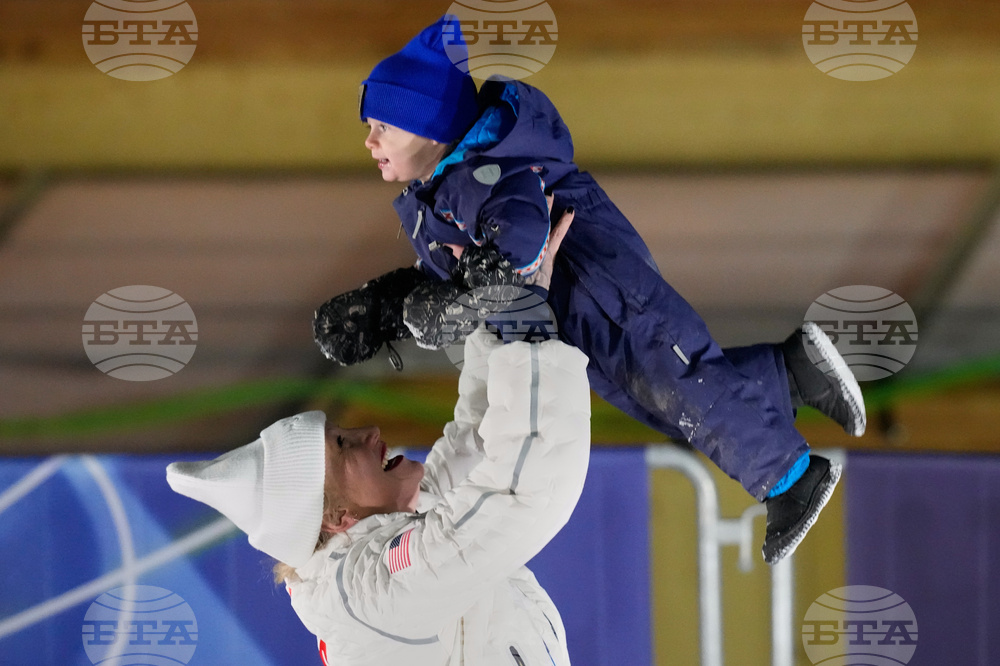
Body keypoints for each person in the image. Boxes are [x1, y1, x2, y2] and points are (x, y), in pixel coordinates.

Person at [312, 16, 866, 565]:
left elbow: (519, 241)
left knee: (682, 385)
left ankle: (790, 477)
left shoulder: (491, 172)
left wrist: (464, 300)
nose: (369, 140)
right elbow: (459, 267)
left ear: (430, 127)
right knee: (658, 404)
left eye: (383, 125)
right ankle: (792, 372)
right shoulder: (439, 194)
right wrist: (386, 307)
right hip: (575, 317)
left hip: (607, 292)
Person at [167, 213, 590, 665]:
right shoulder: (372, 587)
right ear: (335, 516)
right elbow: (518, 496)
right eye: (343, 446)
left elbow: (480, 443)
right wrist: (525, 323)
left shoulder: (372, 544)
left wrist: (486, 310)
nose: (368, 432)